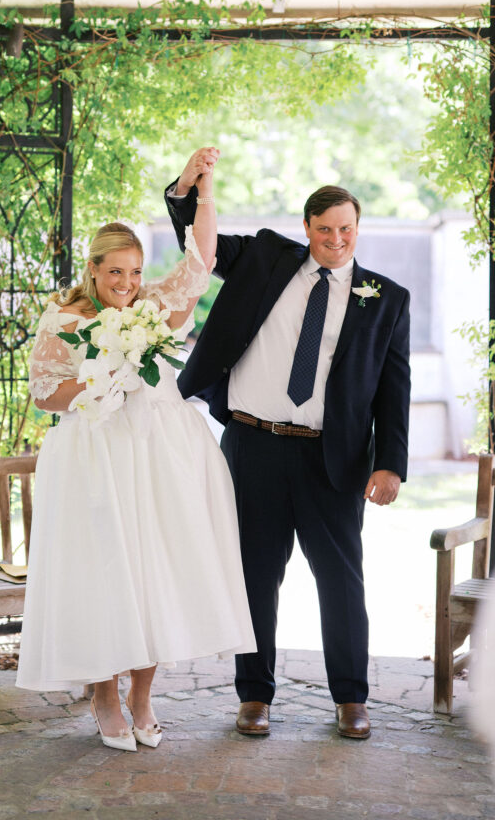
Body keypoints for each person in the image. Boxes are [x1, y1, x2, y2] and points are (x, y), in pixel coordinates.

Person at [165, 148, 411, 739]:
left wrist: (391, 465)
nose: (336, 239)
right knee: (254, 576)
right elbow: (202, 247)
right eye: (325, 229)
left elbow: (394, 389)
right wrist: (189, 187)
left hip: (333, 459)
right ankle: (255, 697)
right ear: (307, 229)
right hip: (253, 449)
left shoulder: (387, 298)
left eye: (346, 229)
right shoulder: (267, 258)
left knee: (341, 580)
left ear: (358, 229)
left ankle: (351, 699)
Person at [16, 147, 255, 751]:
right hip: (96, 458)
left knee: (157, 573)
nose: (125, 284)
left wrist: (201, 189)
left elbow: (201, 258)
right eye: (113, 272)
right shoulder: (65, 319)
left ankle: (143, 695)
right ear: (93, 270)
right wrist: (103, 380)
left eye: (133, 271)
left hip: (159, 455)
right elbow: (46, 394)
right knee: (105, 574)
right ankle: (102, 693)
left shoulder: (152, 308)